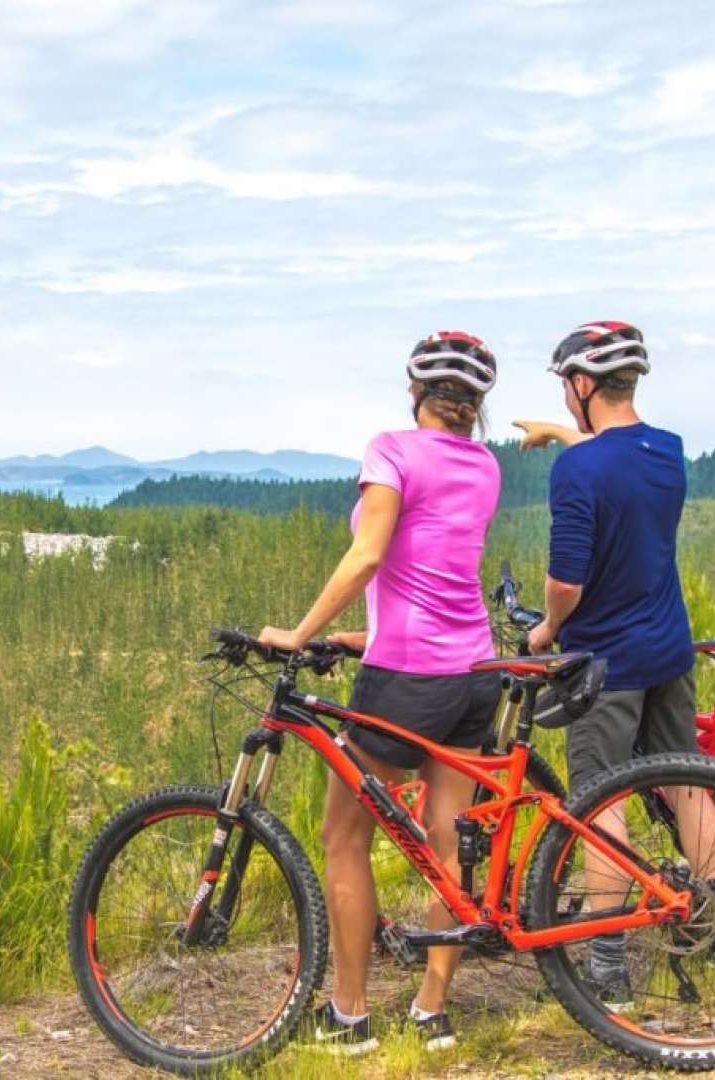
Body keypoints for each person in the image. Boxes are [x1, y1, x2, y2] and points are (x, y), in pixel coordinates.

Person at [257, 331, 503, 1055]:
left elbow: (370, 555)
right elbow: (437, 570)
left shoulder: (391, 450)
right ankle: (432, 1011)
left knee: (343, 837)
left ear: (415, 391)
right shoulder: (484, 464)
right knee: (445, 845)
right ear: (474, 404)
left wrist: (301, 632)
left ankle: (350, 1013)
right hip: (472, 673)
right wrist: (365, 636)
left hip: (406, 679)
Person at [520, 321, 715, 1012]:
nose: (564, 399)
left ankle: (608, 963)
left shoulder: (579, 469)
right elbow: (611, 460)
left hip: (605, 662)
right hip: (667, 649)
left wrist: (546, 629)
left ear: (582, 384)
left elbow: (566, 581)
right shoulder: (666, 450)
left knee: (600, 802)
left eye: (566, 387)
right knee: (686, 782)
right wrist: (563, 437)